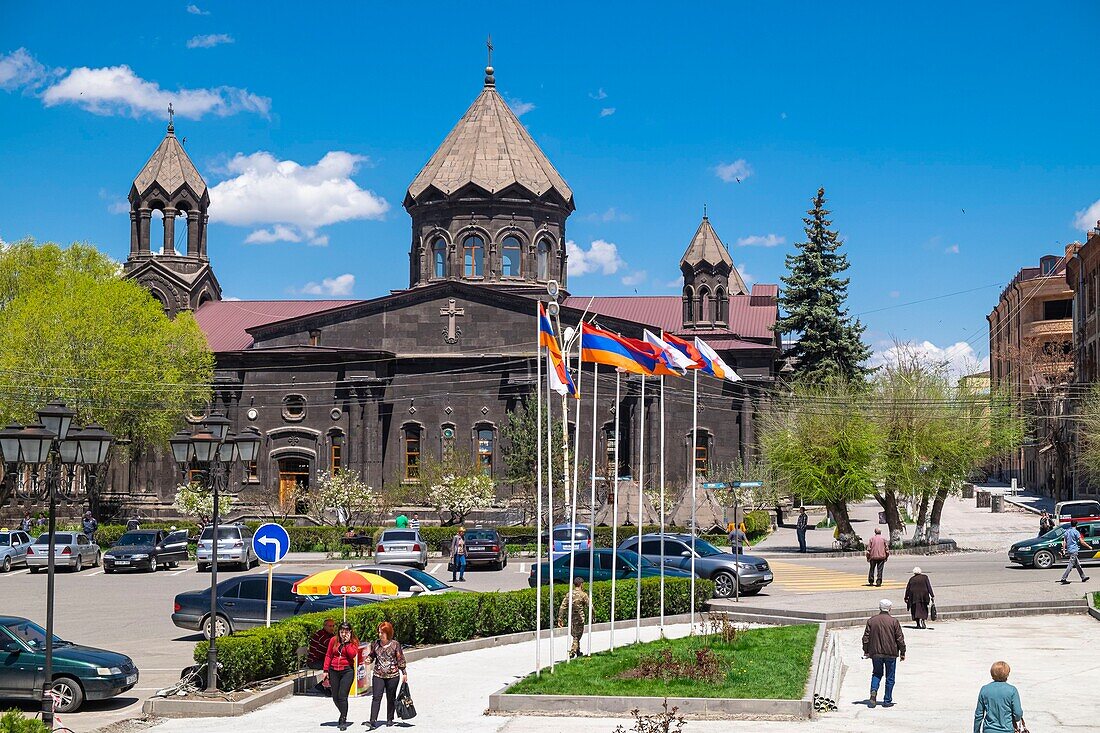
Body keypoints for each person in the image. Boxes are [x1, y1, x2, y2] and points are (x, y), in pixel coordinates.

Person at [862, 599, 906, 708]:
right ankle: (887, 700)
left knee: (877, 673)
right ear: (890, 609)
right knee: (890, 677)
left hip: (876, 653)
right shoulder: (894, 621)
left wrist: (866, 651)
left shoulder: (872, 621)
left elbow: (865, 638)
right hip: (891, 653)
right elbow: (900, 638)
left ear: (879, 608)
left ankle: (873, 691)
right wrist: (902, 652)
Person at [365, 621, 407, 729]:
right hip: (378, 674)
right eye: (379, 632)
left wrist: (404, 673)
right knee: (376, 697)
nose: (380, 635)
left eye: (382, 633)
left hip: (393, 675)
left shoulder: (395, 644)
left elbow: (400, 659)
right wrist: (368, 660)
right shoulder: (376, 644)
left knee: (391, 697)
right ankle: (373, 720)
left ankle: (390, 719)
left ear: (388, 633)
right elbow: (372, 655)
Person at [322, 622, 360, 731]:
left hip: (347, 671)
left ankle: (343, 718)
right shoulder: (333, 640)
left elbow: (352, 654)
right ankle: (343, 712)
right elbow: (329, 655)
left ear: (350, 632)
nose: (343, 634)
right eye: (342, 632)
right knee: (335, 697)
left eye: (346, 632)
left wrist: (347, 643)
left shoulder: (354, 641)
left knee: (342, 696)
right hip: (334, 670)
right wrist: (325, 670)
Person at [974, 660, 1025, 733]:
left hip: (989, 730)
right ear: (1007, 674)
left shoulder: (984, 689)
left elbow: (978, 715)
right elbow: (1018, 713)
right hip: (1007, 730)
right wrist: (1016, 719)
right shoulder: (1012, 690)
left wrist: (976, 731)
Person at [558, 576, 591, 659]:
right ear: (581, 584)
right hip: (580, 618)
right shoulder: (583, 595)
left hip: (572, 618)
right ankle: (572, 652)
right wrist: (593, 615)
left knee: (575, 634)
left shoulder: (569, 594)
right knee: (577, 636)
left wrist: (560, 618)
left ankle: (578, 651)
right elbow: (590, 606)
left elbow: (563, 606)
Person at [1058, 519, 1091, 585]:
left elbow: (1064, 541)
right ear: (1076, 524)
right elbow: (1081, 542)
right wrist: (1089, 546)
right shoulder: (1076, 532)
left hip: (1069, 550)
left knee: (1077, 564)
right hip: (1074, 550)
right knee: (1070, 565)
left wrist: (1064, 550)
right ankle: (1063, 578)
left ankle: (1083, 577)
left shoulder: (1067, 531)